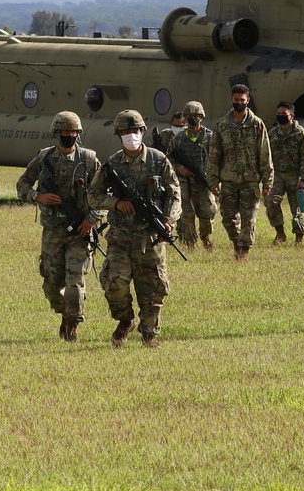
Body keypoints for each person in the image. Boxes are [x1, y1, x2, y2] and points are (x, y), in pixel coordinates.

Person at [88, 109, 181, 347]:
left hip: (151, 236)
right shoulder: (112, 164)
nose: (131, 136)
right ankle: (125, 320)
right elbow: (92, 195)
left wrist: (169, 220)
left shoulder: (158, 160)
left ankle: (149, 333)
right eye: (126, 132)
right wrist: (116, 203)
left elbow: (174, 193)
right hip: (121, 236)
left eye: (135, 131)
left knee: (153, 288)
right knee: (113, 283)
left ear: (142, 132)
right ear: (119, 135)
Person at [16, 110, 101, 341]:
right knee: (52, 285)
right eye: (65, 132)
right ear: (56, 133)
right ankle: (65, 313)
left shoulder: (89, 160)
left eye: (73, 132)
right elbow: (22, 183)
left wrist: (91, 219)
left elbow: (104, 194)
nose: (69, 135)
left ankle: (72, 325)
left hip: (80, 234)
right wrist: (36, 196)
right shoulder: (43, 159)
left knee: (75, 282)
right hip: (53, 231)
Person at [208, 85, 273, 260]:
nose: (239, 103)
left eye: (242, 100)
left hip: (250, 180)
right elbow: (214, 154)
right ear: (231, 100)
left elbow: (265, 154)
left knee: (248, 218)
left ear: (248, 101)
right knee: (228, 218)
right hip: (228, 179)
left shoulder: (257, 124)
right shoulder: (222, 125)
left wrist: (267, 182)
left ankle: (243, 252)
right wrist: (212, 180)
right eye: (236, 100)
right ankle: (236, 243)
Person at [166, 100, 216, 251]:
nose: (193, 118)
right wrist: (181, 169)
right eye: (189, 116)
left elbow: (218, 158)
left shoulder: (210, 138)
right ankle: (190, 244)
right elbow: (169, 159)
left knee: (207, 213)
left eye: (196, 115)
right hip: (185, 182)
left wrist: (215, 179)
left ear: (201, 116)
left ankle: (205, 237)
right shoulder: (178, 139)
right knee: (187, 215)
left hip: (204, 182)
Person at [265, 101, 304, 246]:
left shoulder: (301, 134)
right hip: (277, 175)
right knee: (271, 201)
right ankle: (280, 233)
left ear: (292, 116)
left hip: (296, 175)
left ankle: (299, 238)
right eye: (279, 114)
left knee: (298, 207)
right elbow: (266, 156)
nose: (281, 116)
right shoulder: (272, 134)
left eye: (284, 114)